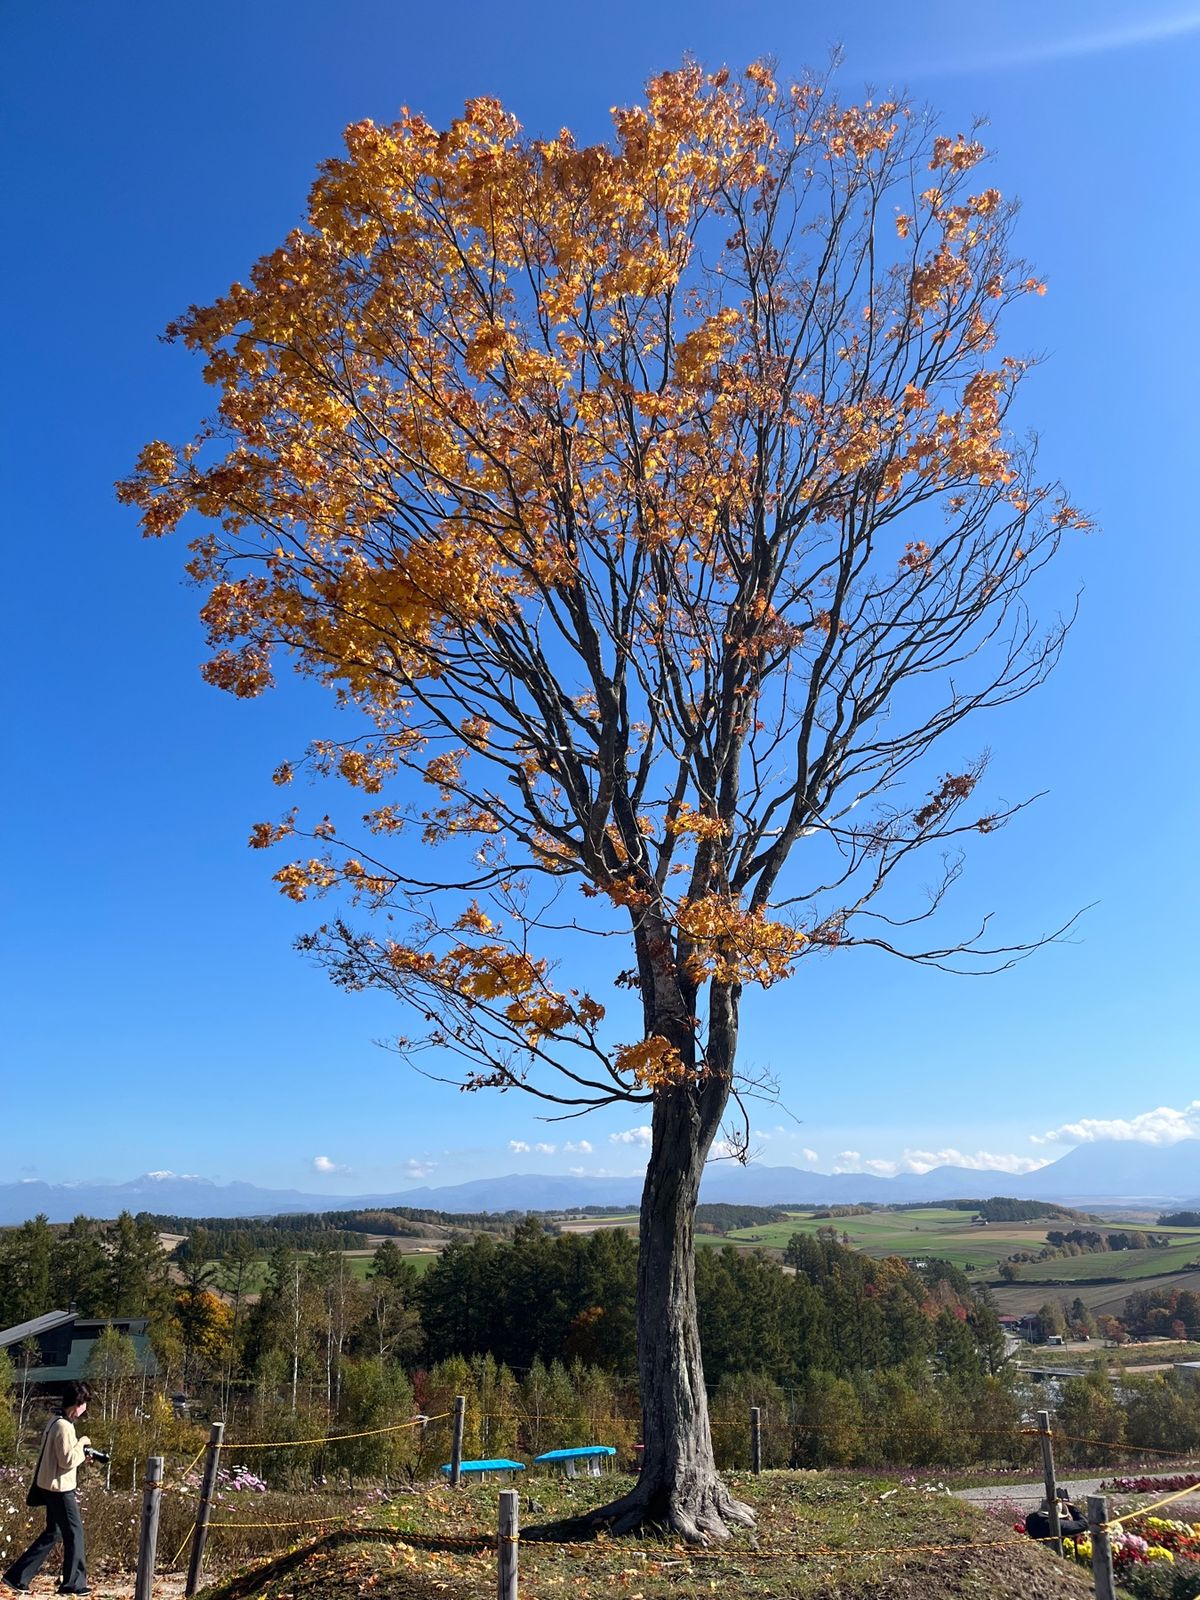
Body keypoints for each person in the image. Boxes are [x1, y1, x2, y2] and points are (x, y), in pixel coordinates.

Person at [3, 1381, 94, 1596]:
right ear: (78, 1404)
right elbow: (67, 1460)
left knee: (54, 1532)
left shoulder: (55, 1420)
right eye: (84, 1406)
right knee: (75, 1533)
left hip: (49, 1486)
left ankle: (17, 1577)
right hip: (60, 1489)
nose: (84, 1411)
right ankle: (73, 1583)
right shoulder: (64, 1426)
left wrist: (80, 1451)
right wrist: (83, 1444)